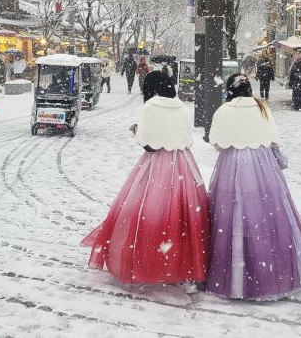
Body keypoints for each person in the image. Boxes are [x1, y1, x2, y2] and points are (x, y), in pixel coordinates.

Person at [81, 70, 209, 285]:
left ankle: (147, 259)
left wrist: (136, 132)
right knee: (181, 211)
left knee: (147, 209)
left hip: (157, 164)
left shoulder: (151, 107)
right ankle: (178, 261)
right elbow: (187, 140)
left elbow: (148, 143)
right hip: (182, 162)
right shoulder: (182, 107)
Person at [206, 73, 301, 300]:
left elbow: (217, 144)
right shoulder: (262, 108)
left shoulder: (224, 110)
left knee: (230, 212)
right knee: (267, 215)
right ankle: (271, 270)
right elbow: (274, 139)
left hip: (232, 164)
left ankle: (234, 272)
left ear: (230, 90)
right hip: (263, 164)